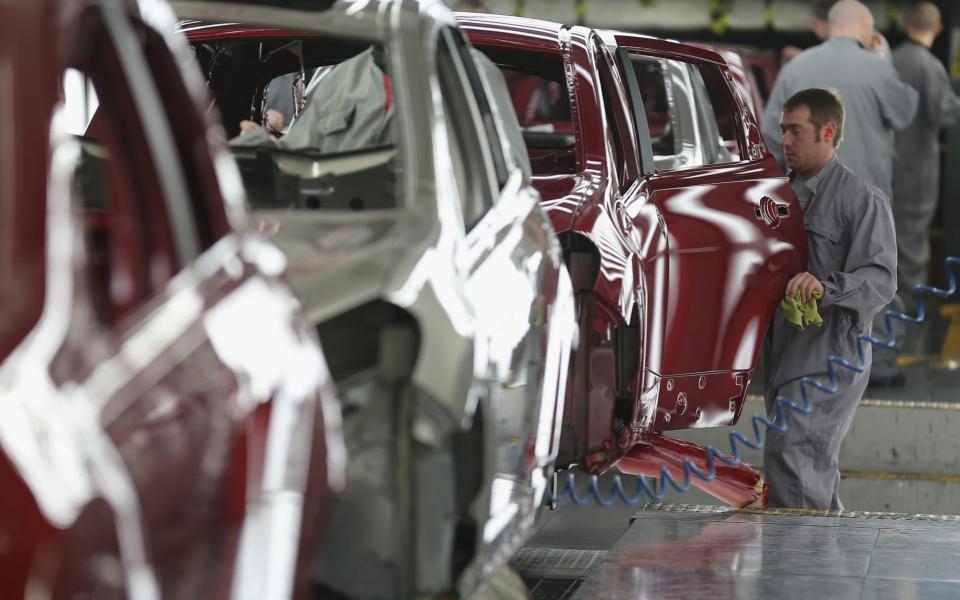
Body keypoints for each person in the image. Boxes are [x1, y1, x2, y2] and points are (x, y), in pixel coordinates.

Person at [762, 88, 897, 510]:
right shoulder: (778, 197)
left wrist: (827, 287)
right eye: (783, 130)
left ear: (827, 131)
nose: (784, 140)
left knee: (795, 457)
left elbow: (880, 280)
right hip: (785, 354)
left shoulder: (862, 199)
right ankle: (823, 567)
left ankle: (800, 573)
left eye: (795, 131)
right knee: (804, 465)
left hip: (830, 354)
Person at [762, 0, 918, 200]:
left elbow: (772, 138)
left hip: (807, 196)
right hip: (866, 199)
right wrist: (884, 60)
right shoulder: (878, 69)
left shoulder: (793, 69)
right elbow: (904, 114)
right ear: (864, 22)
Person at [891, 3, 960, 310]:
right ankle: (909, 316)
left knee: (887, 241)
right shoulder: (930, 66)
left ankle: (887, 311)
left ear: (906, 25)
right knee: (913, 246)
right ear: (939, 29)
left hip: (887, 168)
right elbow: (945, 113)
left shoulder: (889, 61)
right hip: (917, 172)